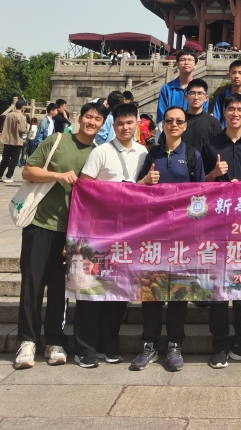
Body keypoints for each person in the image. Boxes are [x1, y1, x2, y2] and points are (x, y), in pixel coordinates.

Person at [12, 101, 106, 369]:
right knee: (32, 283)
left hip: (71, 231)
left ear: (102, 125)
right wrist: (57, 175)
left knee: (59, 287)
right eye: (88, 117)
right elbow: (28, 171)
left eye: (97, 119)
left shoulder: (99, 153)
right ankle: (27, 341)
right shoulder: (57, 141)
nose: (92, 122)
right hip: (40, 223)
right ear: (80, 118)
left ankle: (54, 340)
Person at [131, 105, 206, 372]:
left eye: (179, 121)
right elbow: (135, 191)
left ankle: (175, 344)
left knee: (178, 291)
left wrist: (195, 230)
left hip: (183, 235)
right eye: (169, 121)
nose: (174, 125)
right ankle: (149, 344)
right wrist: (145, 181)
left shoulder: (192, 155)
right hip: (154, 233)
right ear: (162, 125)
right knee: (151, 289)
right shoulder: (151, 154)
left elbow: (201, 195)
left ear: (185, 126)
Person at [73, 103, 148, 367]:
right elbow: (84, 187)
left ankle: (109, 344)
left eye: (129, 123)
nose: (125, 128)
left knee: (118, 290)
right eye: (120, 123)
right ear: (113, 126)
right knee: (91, 290)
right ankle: (85, 348)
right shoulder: (101, 152)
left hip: (128, 232)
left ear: (137, 123)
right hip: (99, 231)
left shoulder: (143, 153)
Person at [202, 95, 241, 368]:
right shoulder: (210, 145)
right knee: (218, 287)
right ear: (224, 112)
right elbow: (200, 185)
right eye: (231, 109)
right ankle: (219, 342)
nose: (236, 113)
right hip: (217, 225)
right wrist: (214, 174)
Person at [182, 79, 222, 155]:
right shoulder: (178, 121)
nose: (196, 97)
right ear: (186, 97)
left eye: (200, 93)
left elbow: (218, 150)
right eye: (192, 93)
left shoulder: (213, 123)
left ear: (206, 98)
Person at [156, 48, 197, 124]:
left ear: (195, 65)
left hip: (193, 129)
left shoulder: (200, 89)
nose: (186, 62)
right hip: (171, 128)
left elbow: (202, 113)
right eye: (183, 60)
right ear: (177, 64)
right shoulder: (167, 89)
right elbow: (161, 116)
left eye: (190, 60)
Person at [0, 98, 29, 183]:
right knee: (14, 160)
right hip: (16, 141)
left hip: (7, 140)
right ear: (22, 107)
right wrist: (27, 129)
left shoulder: (9, 115)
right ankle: (9, 176)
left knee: (5, 159)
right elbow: (22, 130)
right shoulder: (21, 117)